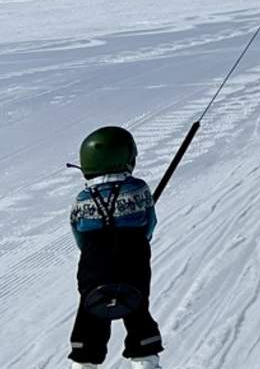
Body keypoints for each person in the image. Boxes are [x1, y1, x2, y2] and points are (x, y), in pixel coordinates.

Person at [67, 126, 164, 368]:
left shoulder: (81, 199)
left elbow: (78, 234)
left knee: (91, 311)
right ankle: (145, 359)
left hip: (93, 266)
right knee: (137, 308)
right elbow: (149, 223)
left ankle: (83, 363)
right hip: (133, 262)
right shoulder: (139, 188)